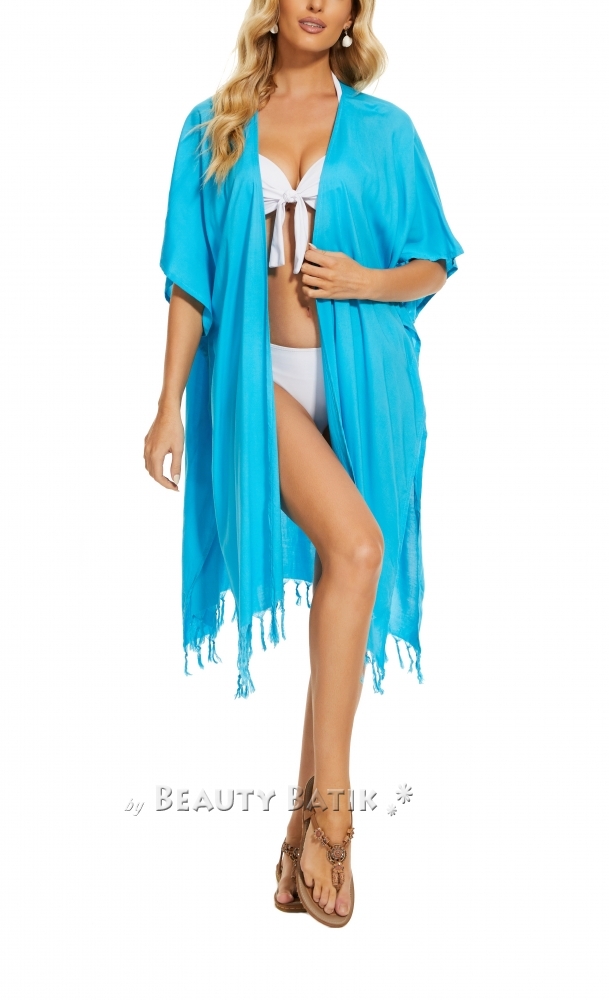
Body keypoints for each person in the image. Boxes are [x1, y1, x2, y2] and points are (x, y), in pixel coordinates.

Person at [144, 0, 463, 928]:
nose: (317, 3)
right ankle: (336, 815)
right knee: (358, 549)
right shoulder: (212, 125)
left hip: (367, 383)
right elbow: (188, 280)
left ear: (356, 13)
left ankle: (294, 831)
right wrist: (167, 403)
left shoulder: (385, 130)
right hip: (254, 382)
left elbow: (433, 262)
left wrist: (366, 280)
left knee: (344, 584)